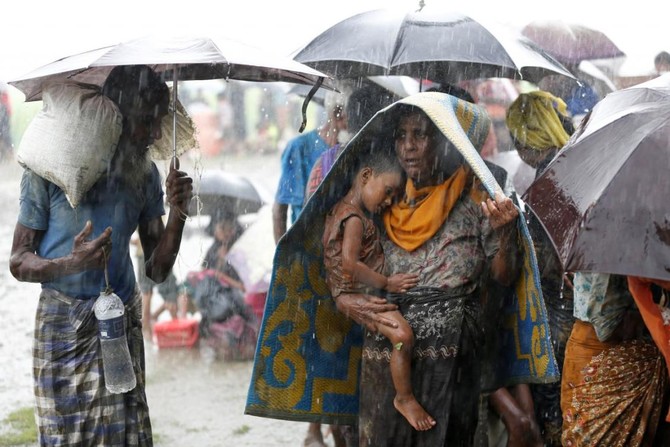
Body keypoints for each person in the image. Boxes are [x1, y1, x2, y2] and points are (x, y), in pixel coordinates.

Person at [9, 64, 193, 444]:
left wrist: (178, 214)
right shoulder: (52, 166)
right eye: (147, 123)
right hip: (63, 325)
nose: (155, 134)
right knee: (67, 437)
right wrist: (69, 264)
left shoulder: (144, 174)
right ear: (117, 117)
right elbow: (18, 260)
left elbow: (157, 270)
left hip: (119, 322)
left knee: (125, 437)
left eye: (159, 122)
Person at [336, 94, 522, 445]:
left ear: (445, 140)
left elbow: (503, 277)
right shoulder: (379, 192)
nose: (408, 147)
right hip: (388, 348)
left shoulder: (479, 191)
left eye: (420, 135)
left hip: (451, 353)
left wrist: (507, 234)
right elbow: (336, 255)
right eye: (401, 136)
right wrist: (347, 300)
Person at [322, 150, 433, 430]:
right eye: (387, 192)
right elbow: (349, 264)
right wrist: (386, 283)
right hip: (353, 295)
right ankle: (404, 397)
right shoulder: (354, 218)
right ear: (366, 176)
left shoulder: (343, 209)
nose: (387, 202)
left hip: (350, 294)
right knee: (402, 336)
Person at [505, 90, 576, 446]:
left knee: (552, 407)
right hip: (572, 312)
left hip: (556, 315)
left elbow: (547, 262)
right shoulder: (574, 165)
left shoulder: (551, 181)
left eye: (517, 139)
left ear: (529, 138)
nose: (516, 150)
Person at [561, 273, 670, 446]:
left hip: (614, 358)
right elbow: (605, 326)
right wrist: (654, 314)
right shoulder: (617, 256)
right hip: (603, 357)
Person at [273, 89, 349, 243]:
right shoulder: (299, 148)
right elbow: (279, 210)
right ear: (337, 114)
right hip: (306, 245)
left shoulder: (352, 150)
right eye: (353, 118)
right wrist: (283, 259)